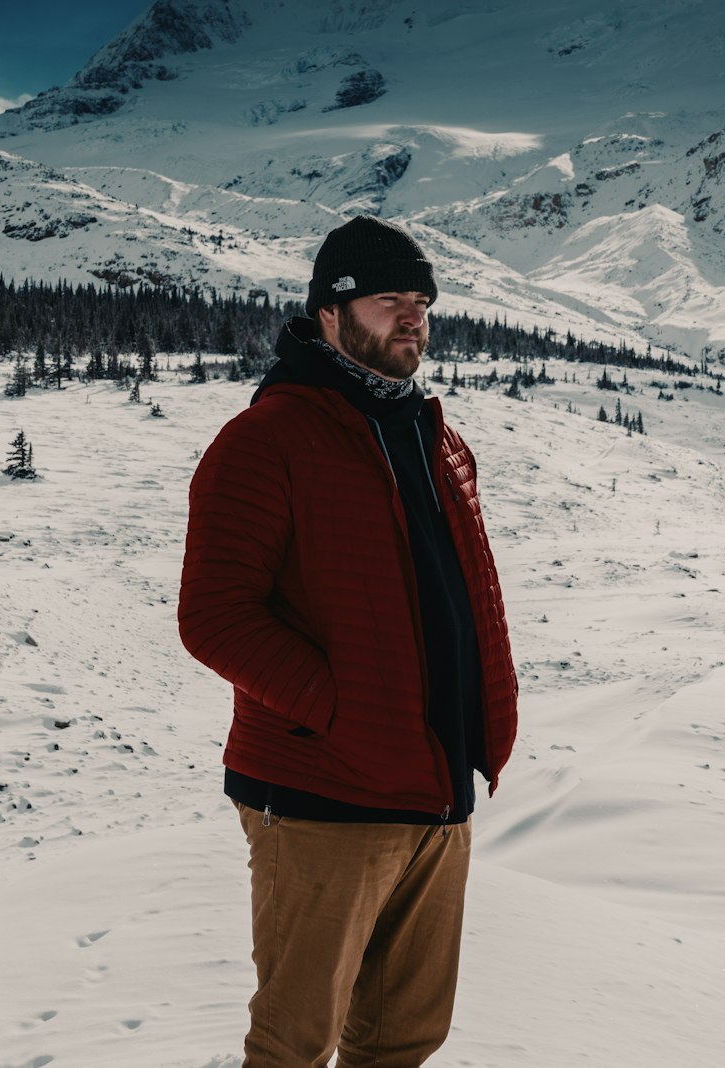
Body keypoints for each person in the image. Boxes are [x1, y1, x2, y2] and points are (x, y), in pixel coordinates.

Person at [179, 214, 517, 1068]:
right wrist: (345, 715)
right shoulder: (267, 440)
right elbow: (215, 615)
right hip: (322, 794)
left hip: (435, 789)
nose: (413, 316)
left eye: (422, 301)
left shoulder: (437, 439)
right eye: (388, 300)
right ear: (329, 315)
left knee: (404, 1039)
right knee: (296, 1044)